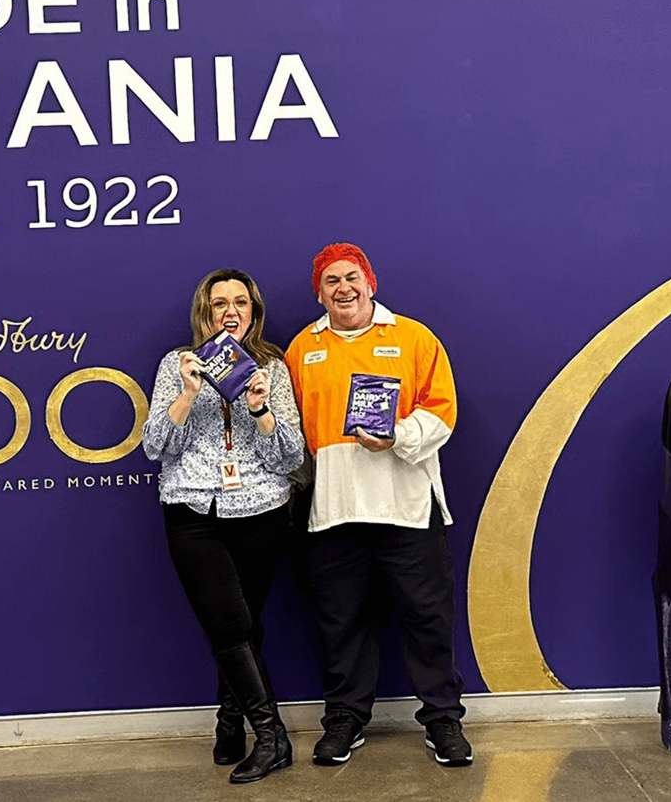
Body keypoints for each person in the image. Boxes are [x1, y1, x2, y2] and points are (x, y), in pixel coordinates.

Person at [286, 243, 472, 768]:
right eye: (330, 281)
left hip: (407, 506)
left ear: (370, 282)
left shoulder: (414, 337)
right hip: (334, 510)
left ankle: (443, 720)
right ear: (317, 292)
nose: (342, 288)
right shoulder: (303, 348)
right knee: (342, 621)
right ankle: (345, 718)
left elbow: (443, 411)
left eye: (351, 277)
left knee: (428, 618)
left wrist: (396, 435)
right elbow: (292, 430)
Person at [143, 269, 305, 785]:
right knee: (227, 625)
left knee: (244, 625)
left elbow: (289, 457)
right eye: (220, 305)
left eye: (240, 302)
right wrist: (187, 395)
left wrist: (260, 409)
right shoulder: (177, 364)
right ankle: (272, 734)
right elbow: (155, 448)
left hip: (260, 512)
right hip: (194, 513)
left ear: (253, 311)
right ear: (205, 313)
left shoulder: (271, 367)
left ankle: (230, 718)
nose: (230, 311)